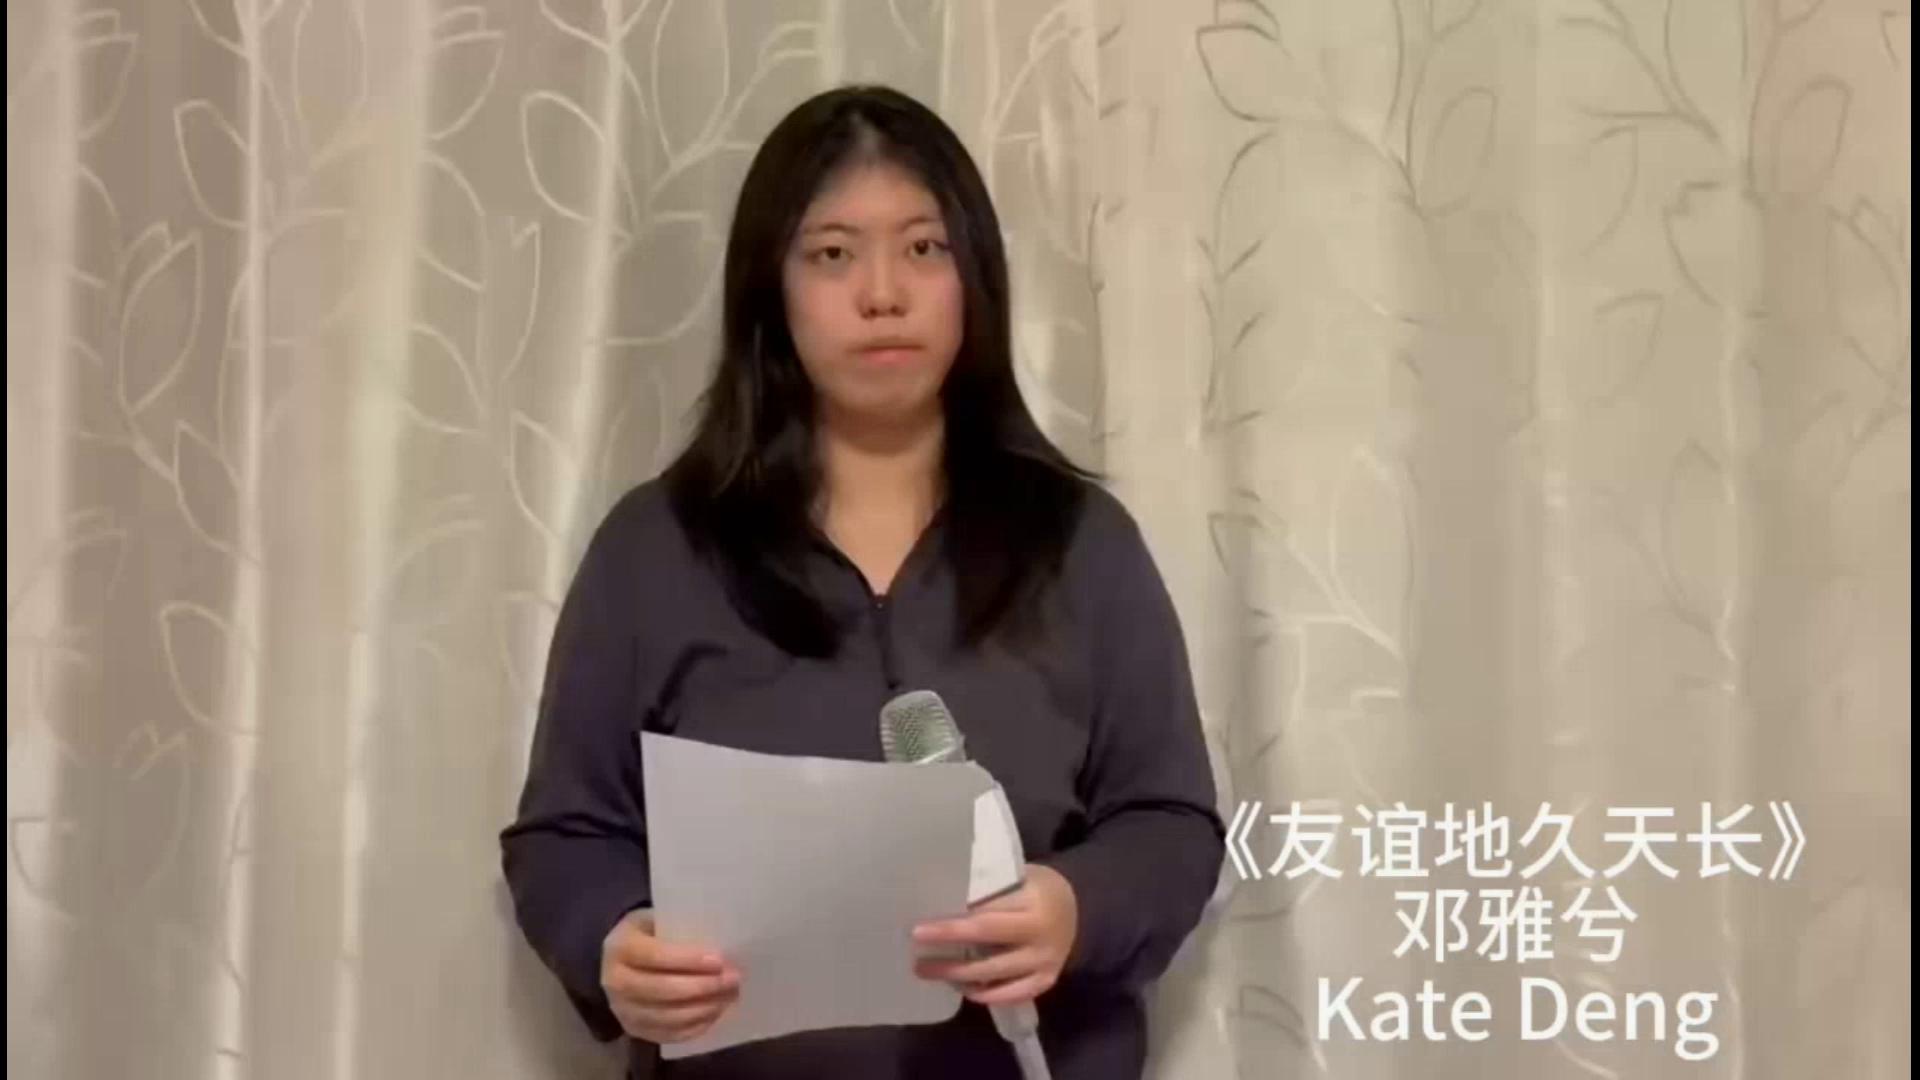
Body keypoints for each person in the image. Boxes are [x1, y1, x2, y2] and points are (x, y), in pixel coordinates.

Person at [500, 84, 1224, 1080]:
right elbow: (564, 835)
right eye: (833, 254)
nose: (883, 293)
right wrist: (612, 938)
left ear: (974, 277)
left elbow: (1173, 824)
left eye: (923, 248)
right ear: (772, 290)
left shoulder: (1082, 546)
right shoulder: (656, 548)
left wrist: (1075, 908)